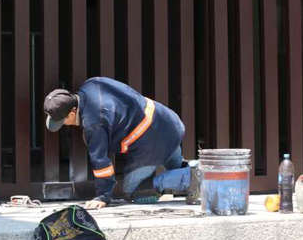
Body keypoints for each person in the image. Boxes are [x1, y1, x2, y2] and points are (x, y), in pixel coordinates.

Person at [44, 77, 196, 209]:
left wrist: (103, 196)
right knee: (176, 165)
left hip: (152, 141)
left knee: (135, 191)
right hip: (167, 121)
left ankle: (198, 177)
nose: (64, 124)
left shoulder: (93, 123)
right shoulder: (91, 84)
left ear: (72, 112)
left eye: (63, 121)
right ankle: (197, 171)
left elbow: (101, 162)